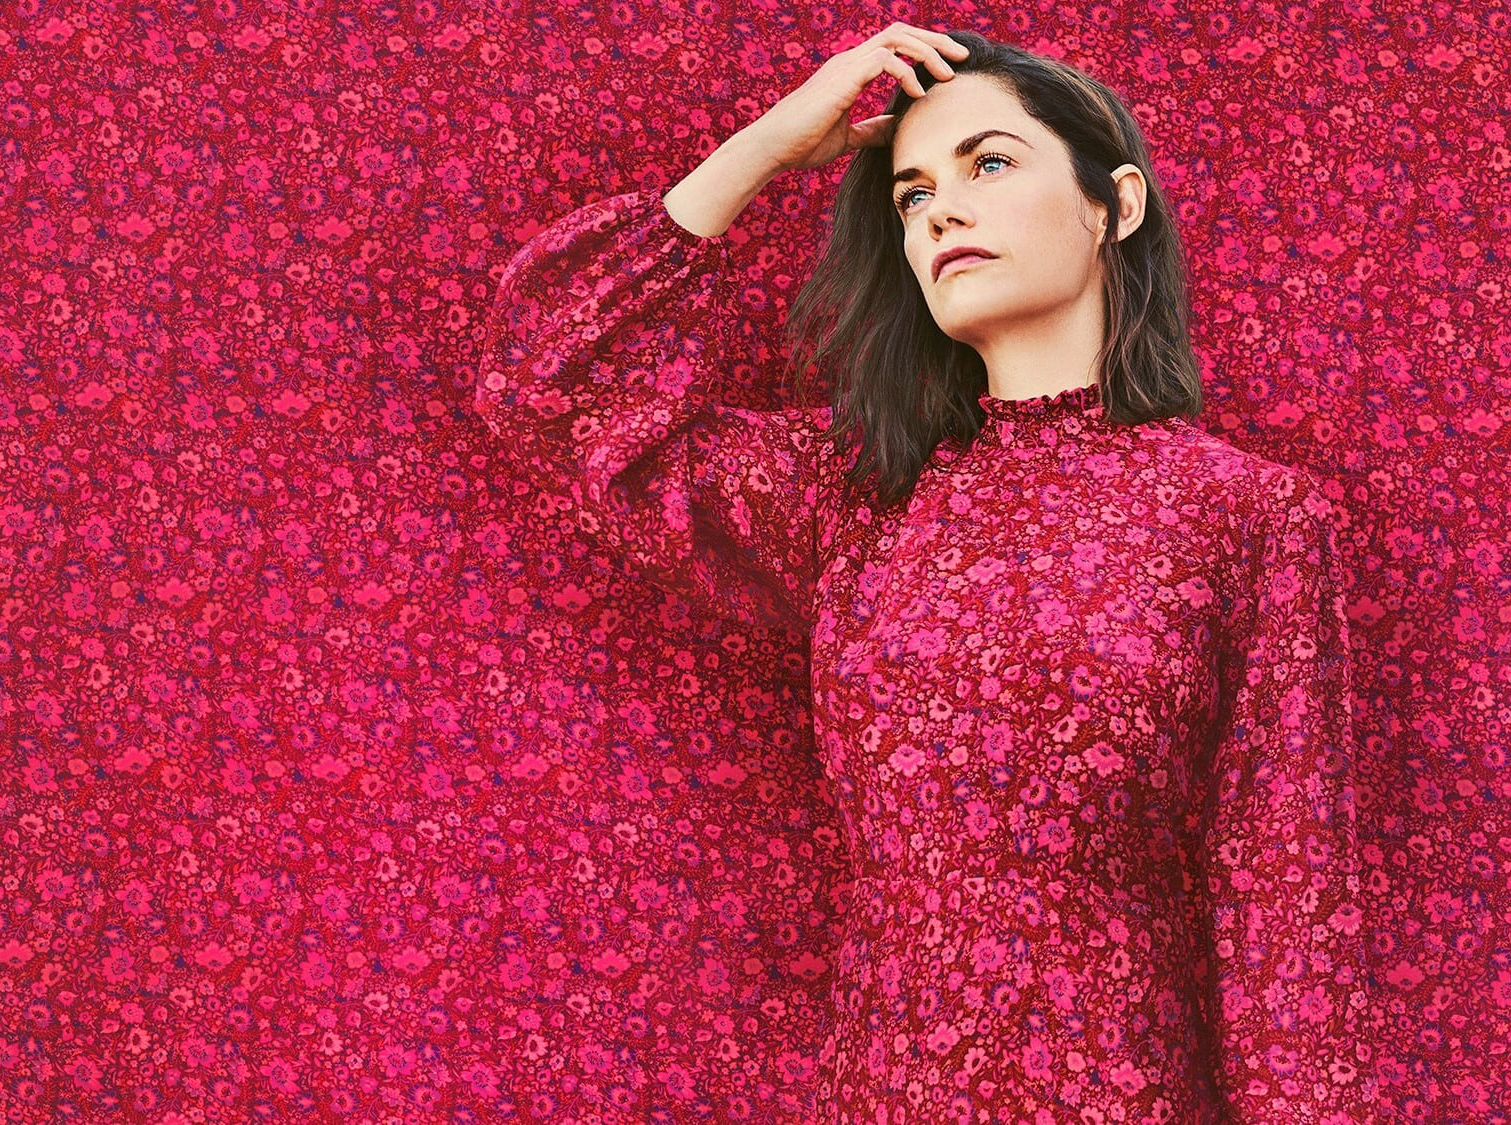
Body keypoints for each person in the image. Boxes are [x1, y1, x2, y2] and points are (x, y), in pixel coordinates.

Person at [473, 23, 1370, 1123]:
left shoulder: (1243, 512)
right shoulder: (854, 492)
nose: (942, 211)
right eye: (912, 194)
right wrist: (769, 143)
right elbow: (548, 390)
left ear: (1115, 206)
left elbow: (1288, 906)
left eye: (988, 163)